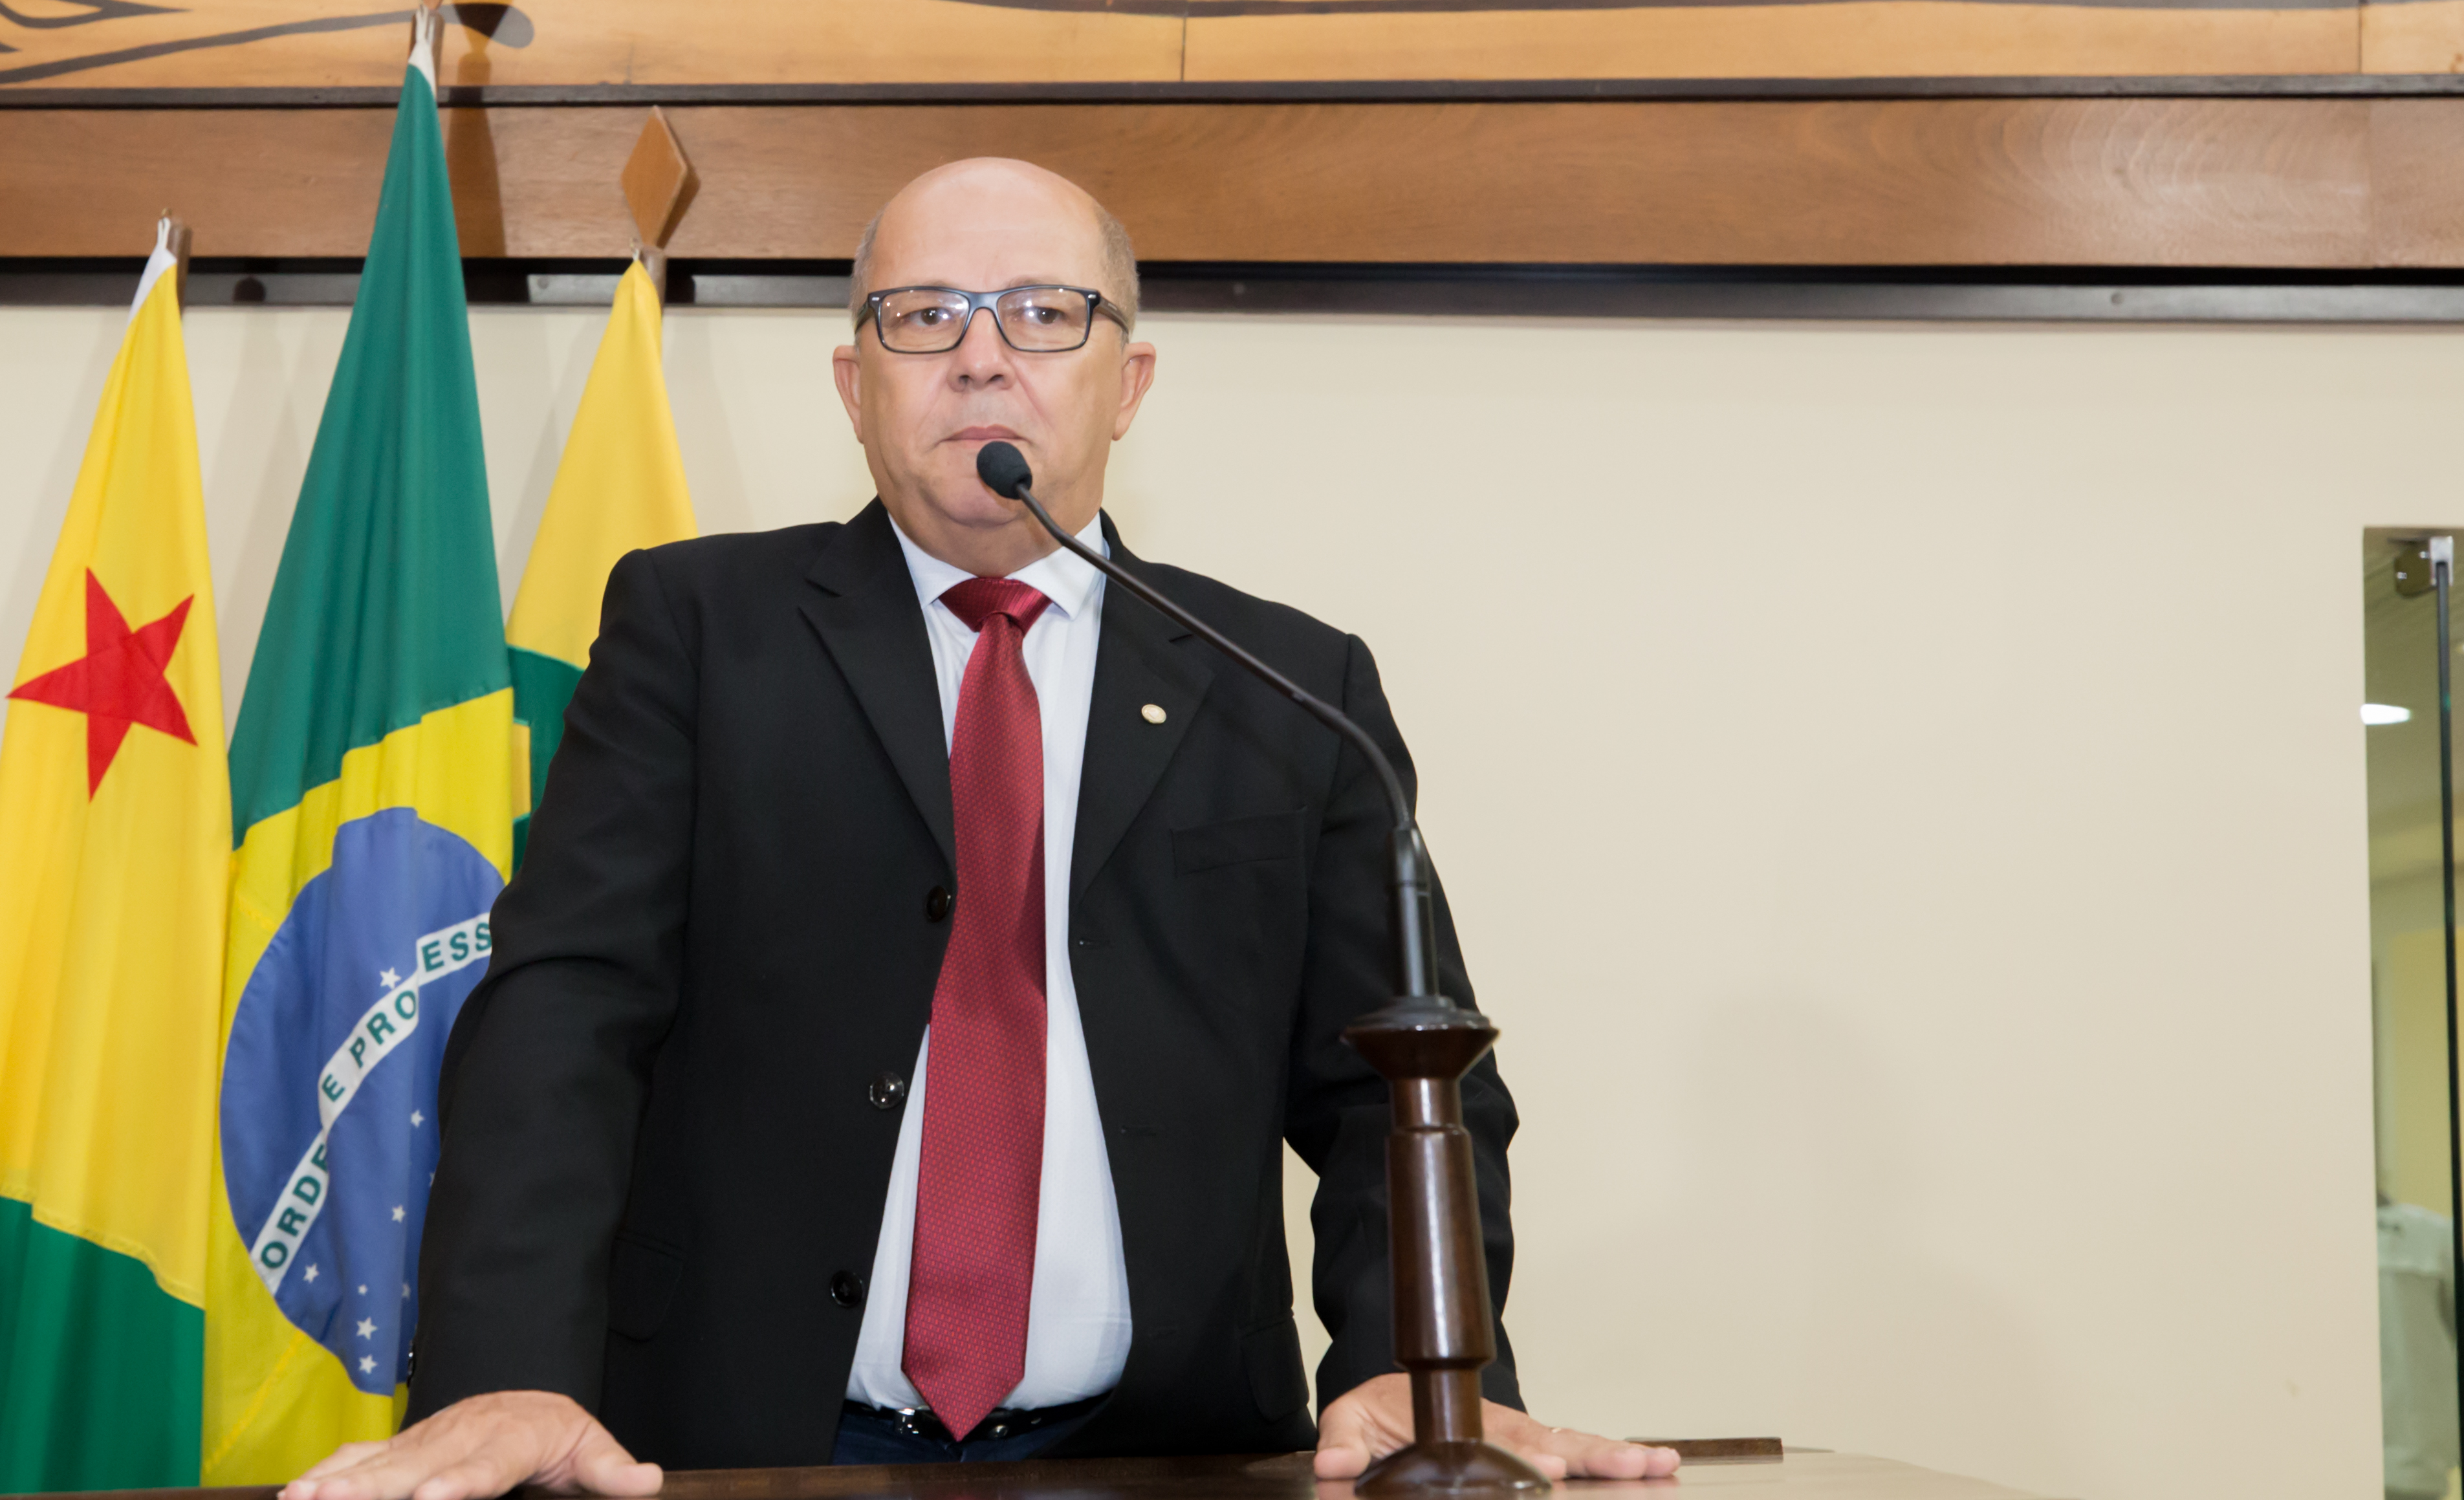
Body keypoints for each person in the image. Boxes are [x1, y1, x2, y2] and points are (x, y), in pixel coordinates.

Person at [285, 158, 1681, 1500]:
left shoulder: (1287, 686)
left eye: (1043, 311)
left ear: (1127, 380)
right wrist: (506, 1371)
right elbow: (560, 1017)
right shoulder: (698, 635)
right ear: (854, 382)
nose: (980, 355)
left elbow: (1405, 1083)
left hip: (1175, 1453)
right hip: (743, 1442)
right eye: (924, 315)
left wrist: (1404, 1372)